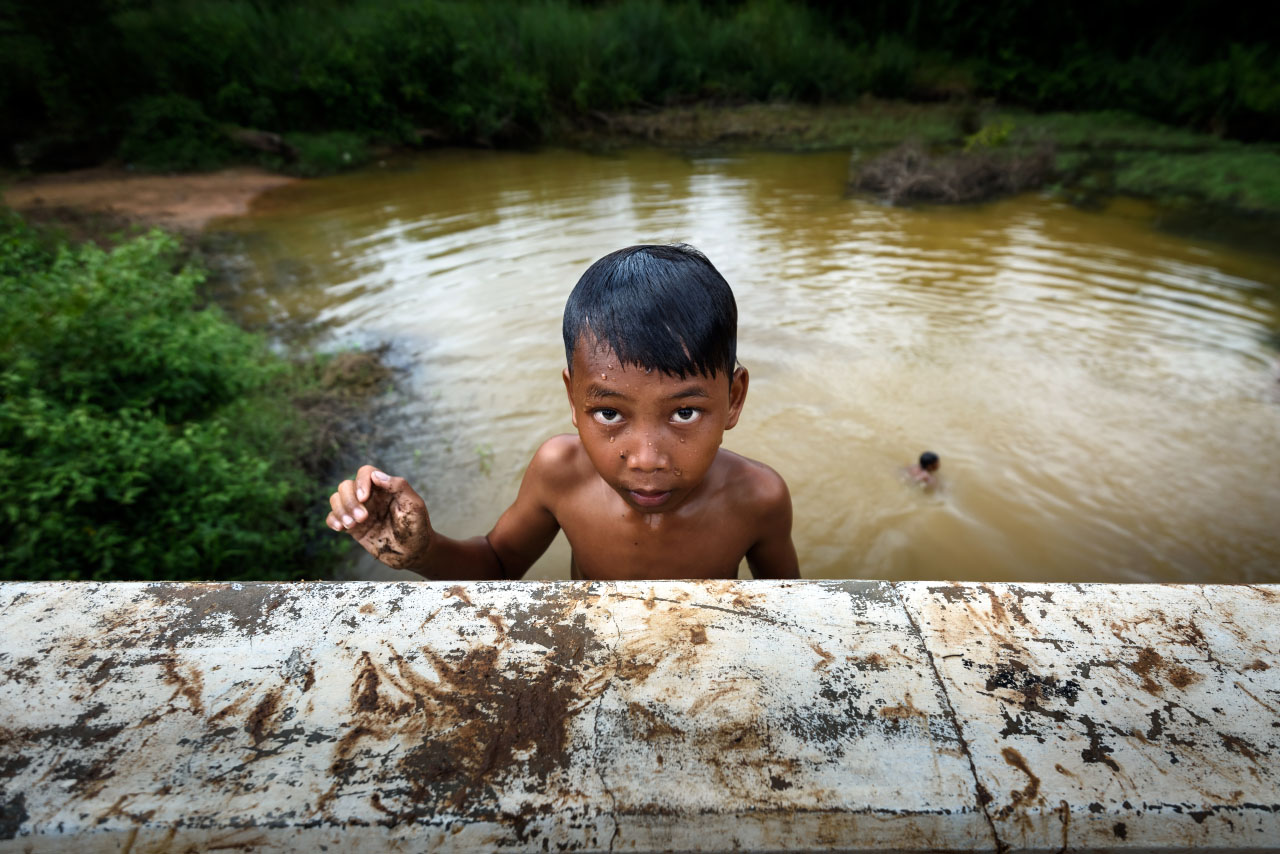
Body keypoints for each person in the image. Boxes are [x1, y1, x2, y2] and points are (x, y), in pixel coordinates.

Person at [325, 244, 800, 580]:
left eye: (685, 414)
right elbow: (498, 565)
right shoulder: (560, 474)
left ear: (733, 398)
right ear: (574, 400)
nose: (646, 459)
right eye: (610, 415)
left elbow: (793, 611)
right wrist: (424, 551)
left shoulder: (758, 499)